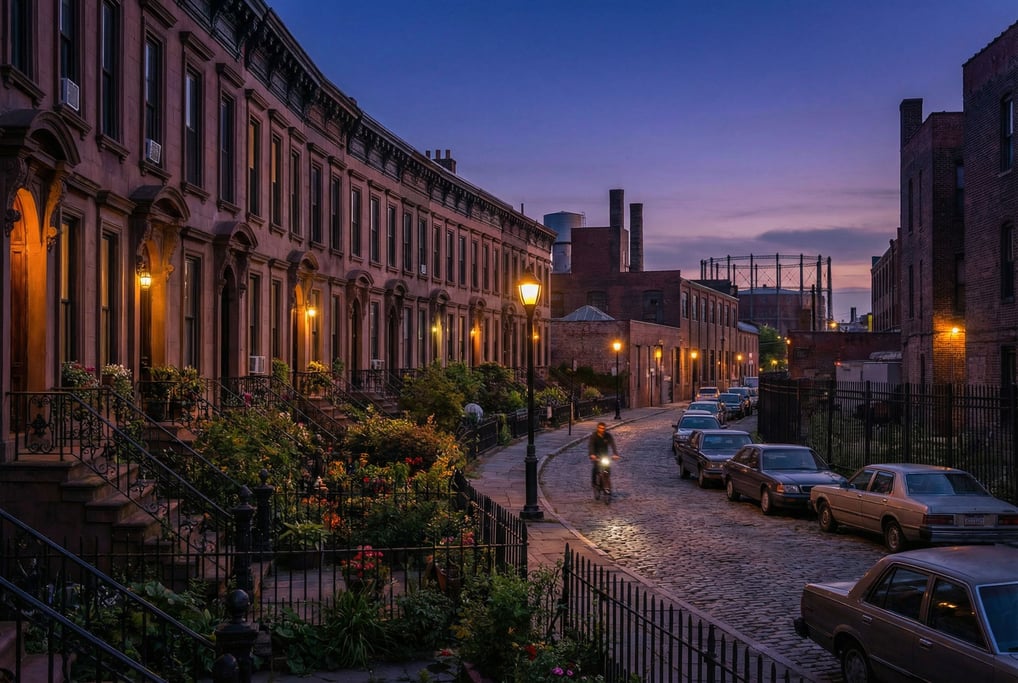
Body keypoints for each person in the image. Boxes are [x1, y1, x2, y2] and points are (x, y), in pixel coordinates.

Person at [587, 422, 620, 487]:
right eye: (600, 428)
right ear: (597, 428)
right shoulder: (594, 436)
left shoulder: (608, 436)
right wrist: (592, 454)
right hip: (596, 454)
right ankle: (594, 483)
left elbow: (613, 444)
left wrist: (615, 454)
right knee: (596, 468)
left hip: (605, 454)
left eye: (603, 428)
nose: (602, 430)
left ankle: (606, 481)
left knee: (607, 468)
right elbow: (591, 445)